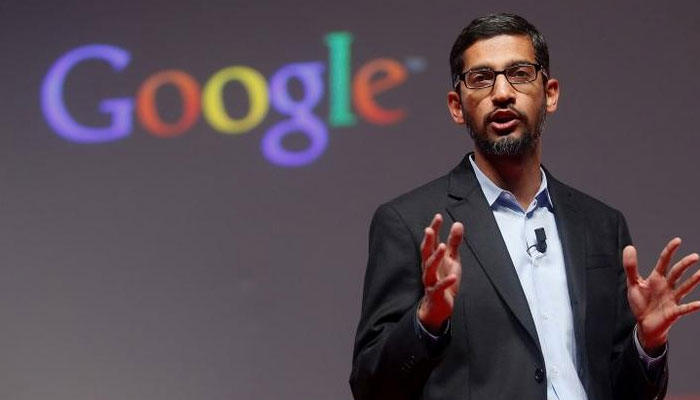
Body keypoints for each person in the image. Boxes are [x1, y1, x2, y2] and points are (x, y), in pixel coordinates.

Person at [349, 13, 700, 400]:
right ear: (456, 106)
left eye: (519, 73)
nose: (502, 92)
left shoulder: (602, 225)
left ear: (550, 94)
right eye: (481, 78)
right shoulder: (411, 222)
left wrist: (647, 343)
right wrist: (427, 321)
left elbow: (626, 390)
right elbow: (370, 386)